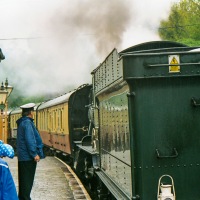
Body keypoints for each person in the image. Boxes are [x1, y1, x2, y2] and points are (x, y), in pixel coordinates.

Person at [16, 103, 45, 200]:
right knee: (27, 181)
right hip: (27, 157)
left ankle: (23, 197)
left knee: (24, 181)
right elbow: (30, 140)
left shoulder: (23, 122)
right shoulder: (27, 123)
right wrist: (34, 154)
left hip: (23, 157)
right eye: (32, 111)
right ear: (31, 112)